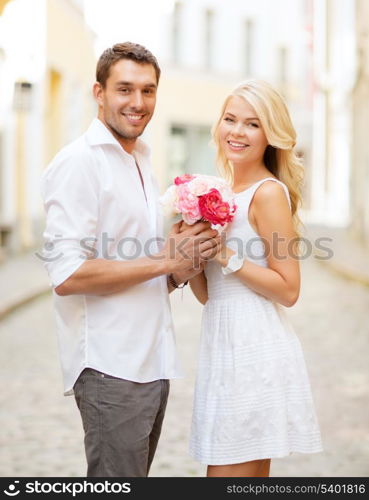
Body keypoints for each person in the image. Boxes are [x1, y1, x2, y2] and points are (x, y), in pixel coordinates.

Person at [40, 42, 219, 477]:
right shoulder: (79, 164)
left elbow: (141, 265)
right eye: (125, 89)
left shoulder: (140, 159)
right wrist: (162, 262)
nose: (138, 103)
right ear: (98, 93)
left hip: (152, 361)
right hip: (110, 367)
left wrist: (181, 263)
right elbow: (67, 274)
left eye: (148, 90)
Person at [186, 79, 323, 477]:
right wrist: (193, 249)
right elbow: (211, 296)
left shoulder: (267, 193)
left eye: (252, 124)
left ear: (270, 135)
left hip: (255, 351)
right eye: (230, 120)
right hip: (222, 345)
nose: (237, 132)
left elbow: (289, 289)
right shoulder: (222, 193)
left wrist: (226, 255)